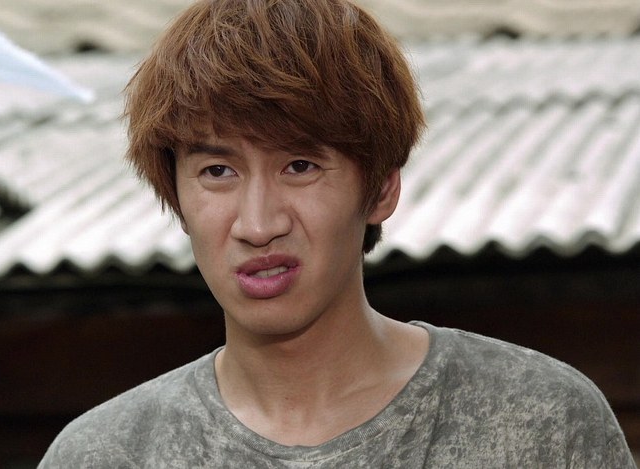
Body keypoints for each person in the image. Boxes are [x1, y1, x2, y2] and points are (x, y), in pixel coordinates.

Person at [38, 0, 635, 467]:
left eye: (300, 166)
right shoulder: (105, 455)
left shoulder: (540, 422)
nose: (258, 225)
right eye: (217, 171)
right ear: (176, 194)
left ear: (381, 189)